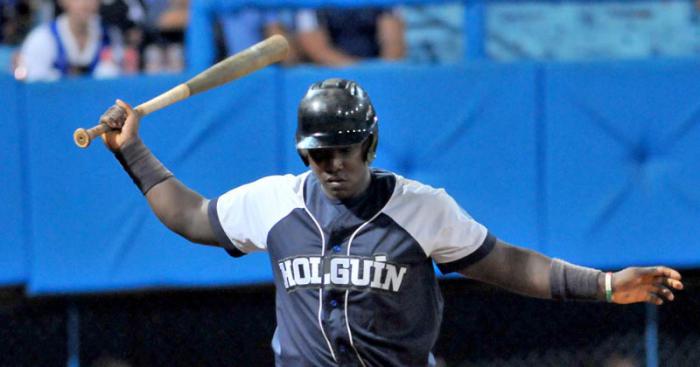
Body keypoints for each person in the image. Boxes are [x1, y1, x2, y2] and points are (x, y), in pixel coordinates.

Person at [97, 78, 683, 367]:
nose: (331, 166)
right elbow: (191, 216)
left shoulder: (421, 208)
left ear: (370, 145)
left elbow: (508, 263)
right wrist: (132, 152)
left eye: (344, 152)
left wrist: (605, 286)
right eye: (319, 154)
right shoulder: (274, 202)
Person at [15, 0, 123, 81]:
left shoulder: (109, 37)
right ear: (62, 2)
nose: (85, 4)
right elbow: (33, 85)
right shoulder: (42, 38)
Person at [295, 8, 405, 66]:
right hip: (331, 76)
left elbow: (393, 44)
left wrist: (380, 71)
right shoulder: (310, 5)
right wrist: (355, 72)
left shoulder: (384, 5)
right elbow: (316, 48)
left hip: (375, 70)